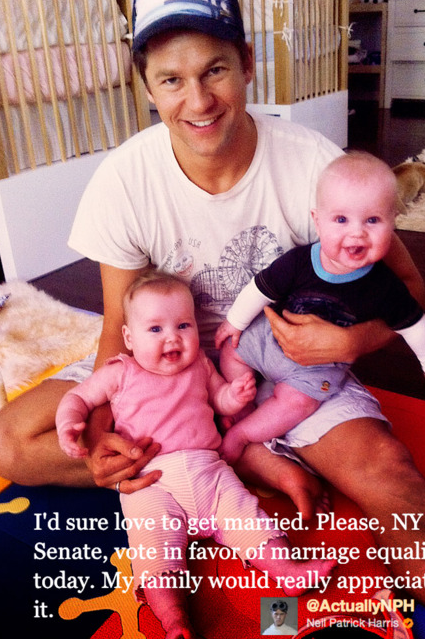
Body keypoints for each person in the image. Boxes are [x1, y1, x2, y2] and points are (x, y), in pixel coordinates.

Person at [0, 0, 425, 637]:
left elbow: (411, 292)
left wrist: (354, 341)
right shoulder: (123, 180)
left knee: (391, 478)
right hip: (164, 365)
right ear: (147, 86)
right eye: (171, 80)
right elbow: (116, 328)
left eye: (214, 70)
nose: (198, 101)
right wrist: (105, 430)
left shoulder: (313, 164)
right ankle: (224, 457)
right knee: (6, 441)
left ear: (247, 62)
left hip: (288, 372)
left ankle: (213, 455)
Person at [55, 272, 335, 639]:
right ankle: (174, 619)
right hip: (152, 483)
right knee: (153, 553)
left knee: (250, 519)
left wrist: (234, 395)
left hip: (210, 473)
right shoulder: (121, 372)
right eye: (155, 329)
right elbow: (79, 397)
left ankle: (287, 571)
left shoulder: (201, 364)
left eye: (183, 325)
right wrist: (69, 424)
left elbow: (220, 399)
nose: (172, 337)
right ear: (129, 337)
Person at [214, 152, 425, 464]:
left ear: (392, 223)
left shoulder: (384, 285)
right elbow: (259, 288)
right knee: (231, 349)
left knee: (300, 403)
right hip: (269, 340)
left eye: (373, 220)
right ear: (317, 221)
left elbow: (414, 324)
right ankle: (242, 406)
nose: (357, 233)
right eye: (341, 220)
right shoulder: (299, 261)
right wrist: (234, 322)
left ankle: (243, 434)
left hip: (317, 366)